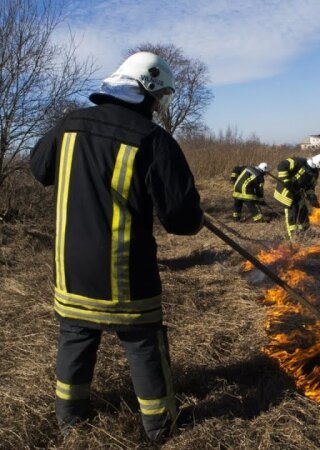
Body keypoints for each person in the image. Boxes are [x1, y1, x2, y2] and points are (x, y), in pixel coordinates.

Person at [29, 52, 203, 442]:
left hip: (71, 270)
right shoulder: (153, 140)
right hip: (126, 275)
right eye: (159, 99)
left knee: (75, 338)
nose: (159, 108)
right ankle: (161, 428)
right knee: (144, 345)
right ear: (148, 90)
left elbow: (39, 169)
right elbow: (182, 222)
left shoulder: (69, 124)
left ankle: (70, 421)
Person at [273, 154, 320, 239]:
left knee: (303, 210)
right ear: (318, 163)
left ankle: (305, 232)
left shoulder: (315, 174)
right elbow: (282, 165)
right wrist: (286, 180)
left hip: (297, 192)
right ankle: (293, 237)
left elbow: (310, 188)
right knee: (293, 212)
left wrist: (313, 199)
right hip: (286, 192)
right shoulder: (299, 162)